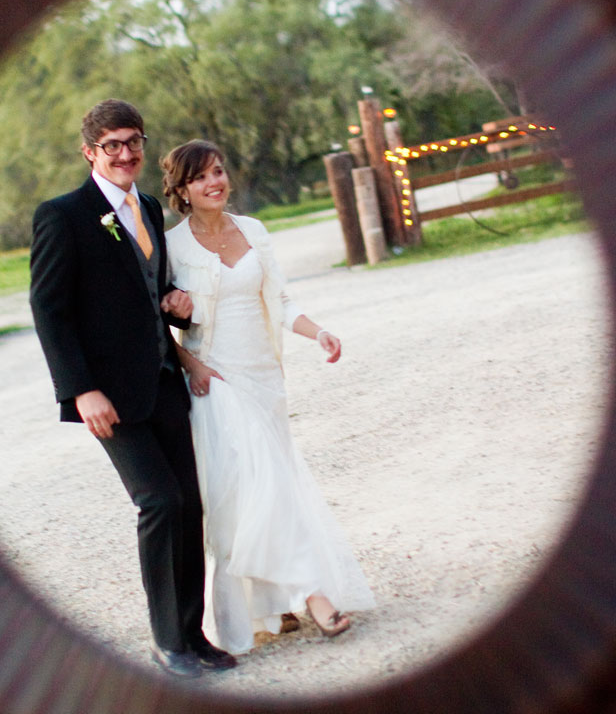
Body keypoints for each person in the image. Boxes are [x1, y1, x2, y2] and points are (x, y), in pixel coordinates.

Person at [28, 100, 237, 679]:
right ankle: (167, 643)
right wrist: (80, 391)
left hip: (163, 382)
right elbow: (49, 310)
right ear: (90, 152)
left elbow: (148, 292)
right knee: (159, 502)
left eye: (133, 141)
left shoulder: (146, 207)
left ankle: (192, 636)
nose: (125, 153)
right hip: (109, 397)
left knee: (188, 504)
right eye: (112, 145)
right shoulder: (62, 215)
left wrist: (176, 304)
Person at [161, 139, 376, 655]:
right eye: (200, 177)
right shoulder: (171, 247)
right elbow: (158, 323)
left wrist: (318, 332)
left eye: (218, 171)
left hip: (264, 377)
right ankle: (315, 595)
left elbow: (279, 300)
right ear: (182, 190)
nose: (214, 182)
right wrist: (192, 364)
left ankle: (272, 605)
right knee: (260, 486)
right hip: (217, 379)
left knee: (257, 491)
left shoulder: (253, 230)